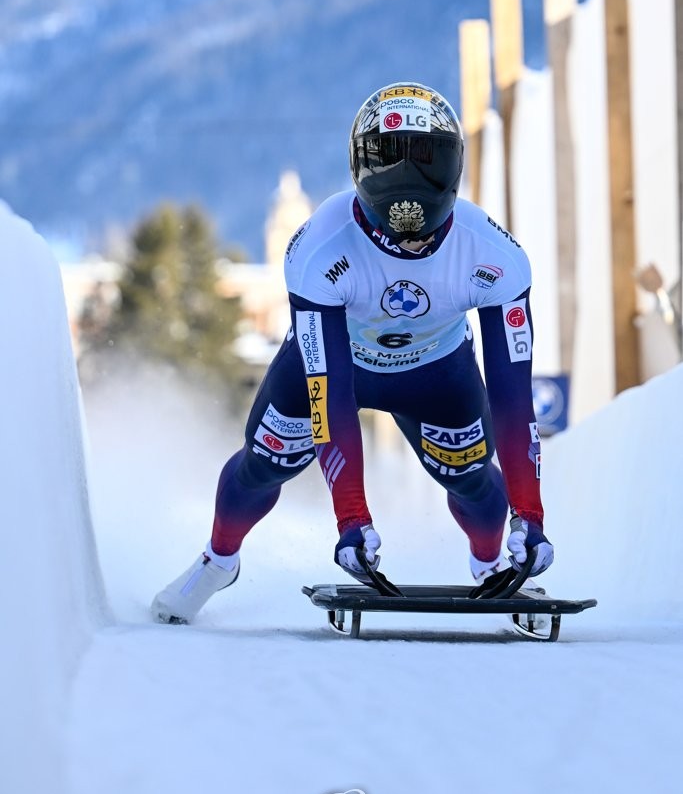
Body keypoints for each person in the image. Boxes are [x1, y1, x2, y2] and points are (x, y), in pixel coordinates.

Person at [151, 81, 553, 625]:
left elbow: (512, 398)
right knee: (263, 466)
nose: (412, 247)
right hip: (338, 363)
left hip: (437, 375)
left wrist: (529, 516)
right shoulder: (318, 248)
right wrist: (351, 519)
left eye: (424, 237)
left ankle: (491, 569)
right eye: (398, 235)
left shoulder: (497, 257)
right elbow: (329, 395)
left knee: (473, 479)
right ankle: (219, 559)